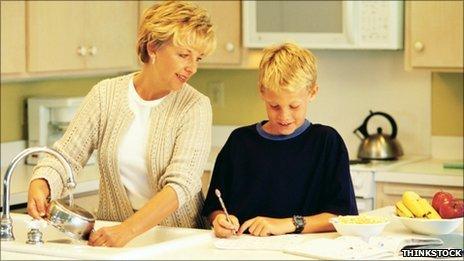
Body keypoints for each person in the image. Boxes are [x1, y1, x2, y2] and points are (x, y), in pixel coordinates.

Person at [27, 1, 216, 247]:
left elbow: (182, 184)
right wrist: (41, 182)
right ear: (153, 48)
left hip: (176, 239)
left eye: (198, 58)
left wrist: (127, 230)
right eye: (183, 55)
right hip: (111, 235)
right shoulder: (105, 95)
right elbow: (66, 156)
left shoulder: (195, 106)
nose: (192, 68)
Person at [202, 43, 358, 238]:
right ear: (262, 92)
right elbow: (214, 207)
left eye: (294, 106)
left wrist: (286, 224)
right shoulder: (239, 142)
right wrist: (220, 220)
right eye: (274, 106)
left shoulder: (327, 142)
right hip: (244, 251)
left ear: (313, 92)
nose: (284, 116)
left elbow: (343, 217)